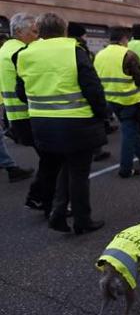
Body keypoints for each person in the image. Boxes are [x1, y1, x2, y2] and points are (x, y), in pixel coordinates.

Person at [15, 13, 107, 234]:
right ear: (64, 30)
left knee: (63, 167)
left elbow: (21, 92)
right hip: (76, 123)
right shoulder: (74, 51)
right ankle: (82, 220)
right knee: (78, 173)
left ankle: (57, 211)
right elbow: (92, 88)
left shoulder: (25, 54)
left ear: (40, 31)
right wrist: (101, 114)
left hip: (42, 124)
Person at [0, 13, 56, 208]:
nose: (38, 36)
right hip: (30, 114)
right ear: (18, 32)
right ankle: (46, 201)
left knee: (50, 158)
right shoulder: (21, 51)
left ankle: (40, 197)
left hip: (18, 115)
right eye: (34, 32)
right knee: (53, 159)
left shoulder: (5, 49)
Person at [94, 27, 140, 178]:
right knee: (128, 132)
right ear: (124, 39)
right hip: (129, 99)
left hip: (110, 99)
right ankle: (126, 168)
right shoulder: (128, 55)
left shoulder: (99, 55)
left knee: (130, 129)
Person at [68, 22, 111, 162]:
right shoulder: (80, 49)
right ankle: (96, 151)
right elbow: (88, 75)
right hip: (82, 92)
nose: (86, 37)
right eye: (85, 34)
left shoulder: (64, 47)